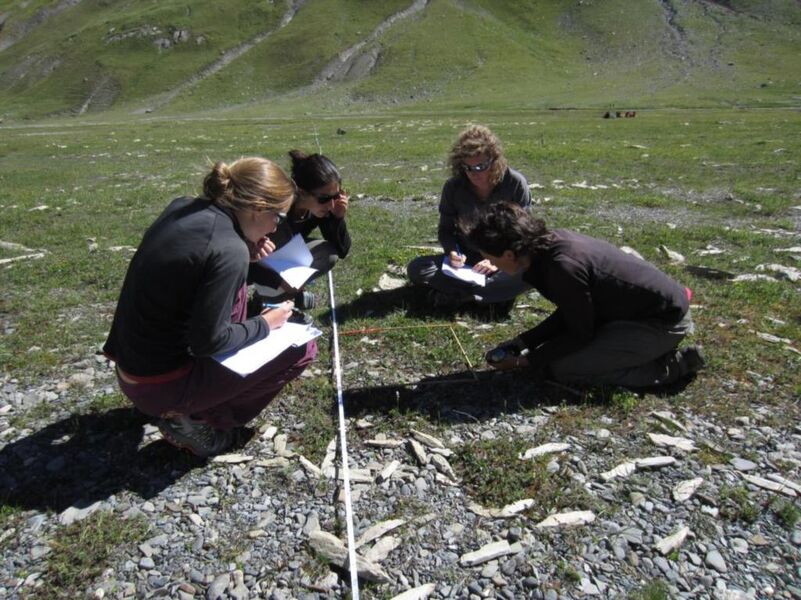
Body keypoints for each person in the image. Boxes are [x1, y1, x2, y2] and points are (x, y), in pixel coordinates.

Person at [103, 157, 318, 457]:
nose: (275, 228)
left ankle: (192, 404)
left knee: (239, 292)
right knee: (302, 349)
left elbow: (199, 268)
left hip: (131, 367)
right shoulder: (229, 250)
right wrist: (268, 322)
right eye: (278, 217)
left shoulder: (184, 207)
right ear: (257, 208)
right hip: (159, 388)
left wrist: (247, 254)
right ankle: (199, 421)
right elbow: (209, 341)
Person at [461, 202, 705, 388]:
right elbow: (572, 311)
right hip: (631, 312)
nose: (490, 264)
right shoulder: (547, 246)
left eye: (491, 259)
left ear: (509, 255)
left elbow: (580, 332)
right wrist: (523, 343)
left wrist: (523, 362)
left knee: (563, 368)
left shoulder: (563, 267)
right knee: (556, 356)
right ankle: (631, 352)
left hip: (662, 322)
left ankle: (674, 365)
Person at [406, 125, 532, 309]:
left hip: (503, 259)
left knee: (530, 273)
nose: (475, 174)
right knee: (417, 268)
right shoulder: (453, 187)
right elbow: (446, 230)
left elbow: (524, 234)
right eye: (468, 168)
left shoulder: (514, 184)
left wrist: (496, 261)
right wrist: (452, 252)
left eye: (481, 166)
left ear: (495, 161)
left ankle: (460, 295)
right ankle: (485, 296)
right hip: (466, 260)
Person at [248, 150, 351, 310]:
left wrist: (337, 219)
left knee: (328, 254)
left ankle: (284, 296)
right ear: (301, 192)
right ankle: (267, 297)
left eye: (336, 196)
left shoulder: (321, 208)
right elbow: (242, 260)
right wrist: (277, 281)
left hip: (283, 257)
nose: (331, 204)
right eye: (324, 198)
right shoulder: (276, 207)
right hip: (255, 260)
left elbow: (341, 250)